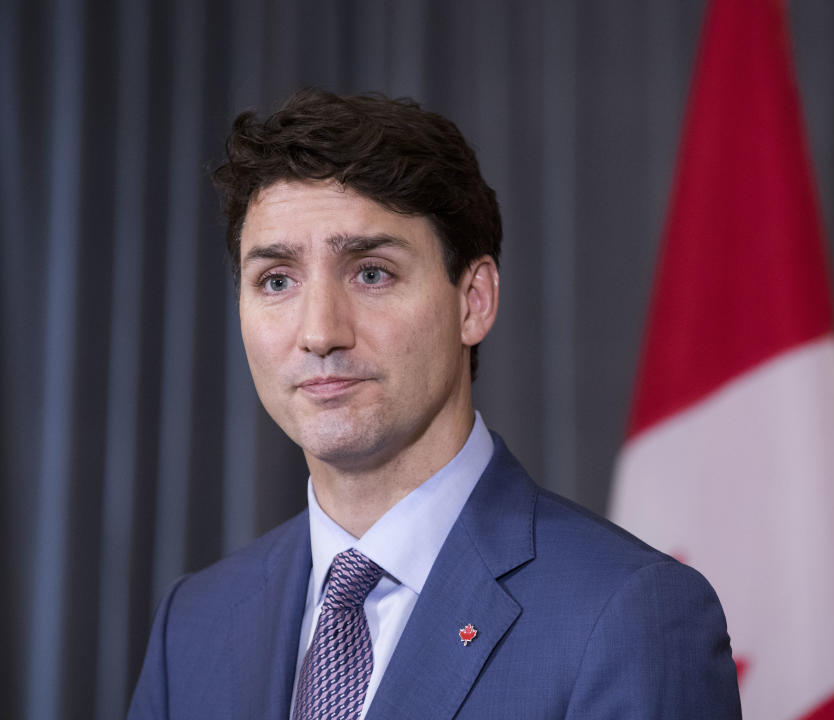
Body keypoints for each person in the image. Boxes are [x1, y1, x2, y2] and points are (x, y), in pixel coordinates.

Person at [127, 88, 741, 719]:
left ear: (473, 300)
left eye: (371, 272)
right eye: (276, 281)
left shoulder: (629, 615)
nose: (319, 332)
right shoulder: (193, 625)